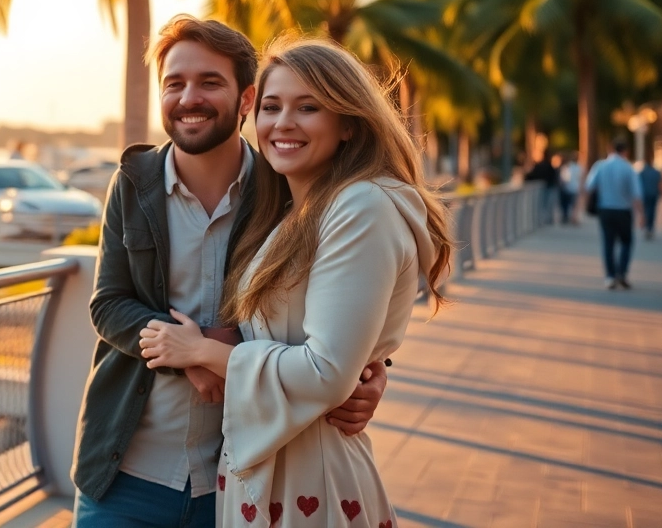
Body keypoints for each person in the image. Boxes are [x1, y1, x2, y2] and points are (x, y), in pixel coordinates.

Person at [72, 17, 387, 528]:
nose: (188, 97)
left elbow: (339, 299)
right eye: (174, 83)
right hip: (124, 473)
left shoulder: (288, 187)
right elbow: (107, 304)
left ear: (245, 100)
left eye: (209, 82)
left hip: (242, 475)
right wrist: (185, 354)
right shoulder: (132, 184)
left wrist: (371, 372)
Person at [139, 37, 451, 527]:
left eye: (308, 107)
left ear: (347, 122)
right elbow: (324, 341)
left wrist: (199, 351)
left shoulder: (361, 207)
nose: (283, 123)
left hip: (312, 478)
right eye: (271, 107)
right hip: (275, 471)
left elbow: (326, 370)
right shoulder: (296, 212)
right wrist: (368, 366)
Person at [587, 140, 645, 289]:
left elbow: (589, 186)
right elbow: (636, 194)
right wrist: (642, 215)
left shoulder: (600, 166)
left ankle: (610, 276)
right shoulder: (628, 168)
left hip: (605, 209)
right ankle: (622, 273)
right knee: (626, 242)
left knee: (608, 243)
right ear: (625, 151)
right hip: (623, 210)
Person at [525, 151, 560, 225]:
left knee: (540, 204)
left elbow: (532, 176)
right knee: (548, 204)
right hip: (549, 187)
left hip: (541, 188)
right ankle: (548, 219)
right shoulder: (550, 166)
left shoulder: (539, 166)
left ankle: (541, 220)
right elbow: (554, 177)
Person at [640, 158, 662, 240]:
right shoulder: (656, 172)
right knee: (652, 211)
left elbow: (638, 184)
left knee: (646, 211)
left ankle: (647, 227)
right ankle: (650, 227)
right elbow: (659, 184)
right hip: (654, 194)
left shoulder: (642, 173)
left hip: (645, 194)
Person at [559, 153, 583, 226]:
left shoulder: (567, 167)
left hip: (567, 188)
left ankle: (566, 217)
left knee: (566, 204)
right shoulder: (579, 168)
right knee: (574, 205)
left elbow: (563, 178)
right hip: (575, 188)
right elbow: (581, 178)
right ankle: (574, 218)